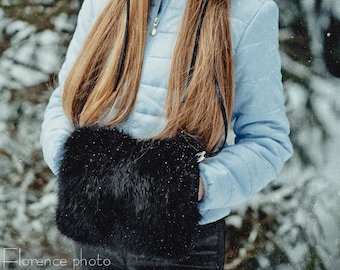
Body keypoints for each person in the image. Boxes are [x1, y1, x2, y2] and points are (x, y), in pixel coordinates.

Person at [40, 0, 293, 269]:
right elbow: (63, 105)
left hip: (180, 243)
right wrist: (76, 170)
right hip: (98, 229)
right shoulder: (103, 3)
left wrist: (195, 187)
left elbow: (267, 140)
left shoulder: (249, 12)